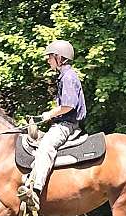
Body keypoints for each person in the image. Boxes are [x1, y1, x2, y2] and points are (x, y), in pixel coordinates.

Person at [31, 39, 87, 206]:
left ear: (59, 58)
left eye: (50, 57)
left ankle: (35, 190)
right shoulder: (64, 76)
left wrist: (48, 114)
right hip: (62, 124)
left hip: (65, 126)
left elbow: (68, 106)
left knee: (45, 147)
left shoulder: (68, 77)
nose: (48, 60)